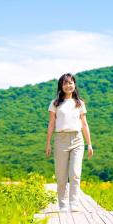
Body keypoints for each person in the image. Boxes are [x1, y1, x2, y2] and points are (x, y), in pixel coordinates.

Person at [45, 73, 93, 212]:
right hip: (61, 139)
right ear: (61, 86)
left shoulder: (80, 103)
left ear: (74, 85)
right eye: (65, 83)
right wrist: (48, 143)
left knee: (75, 173)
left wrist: (89, 144)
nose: (68, 85)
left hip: (77, 139)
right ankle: (63, 205)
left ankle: (74, 204)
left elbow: (84, 124)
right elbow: (51, 124)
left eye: (70, 83)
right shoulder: (55, 103)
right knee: (61, 176)